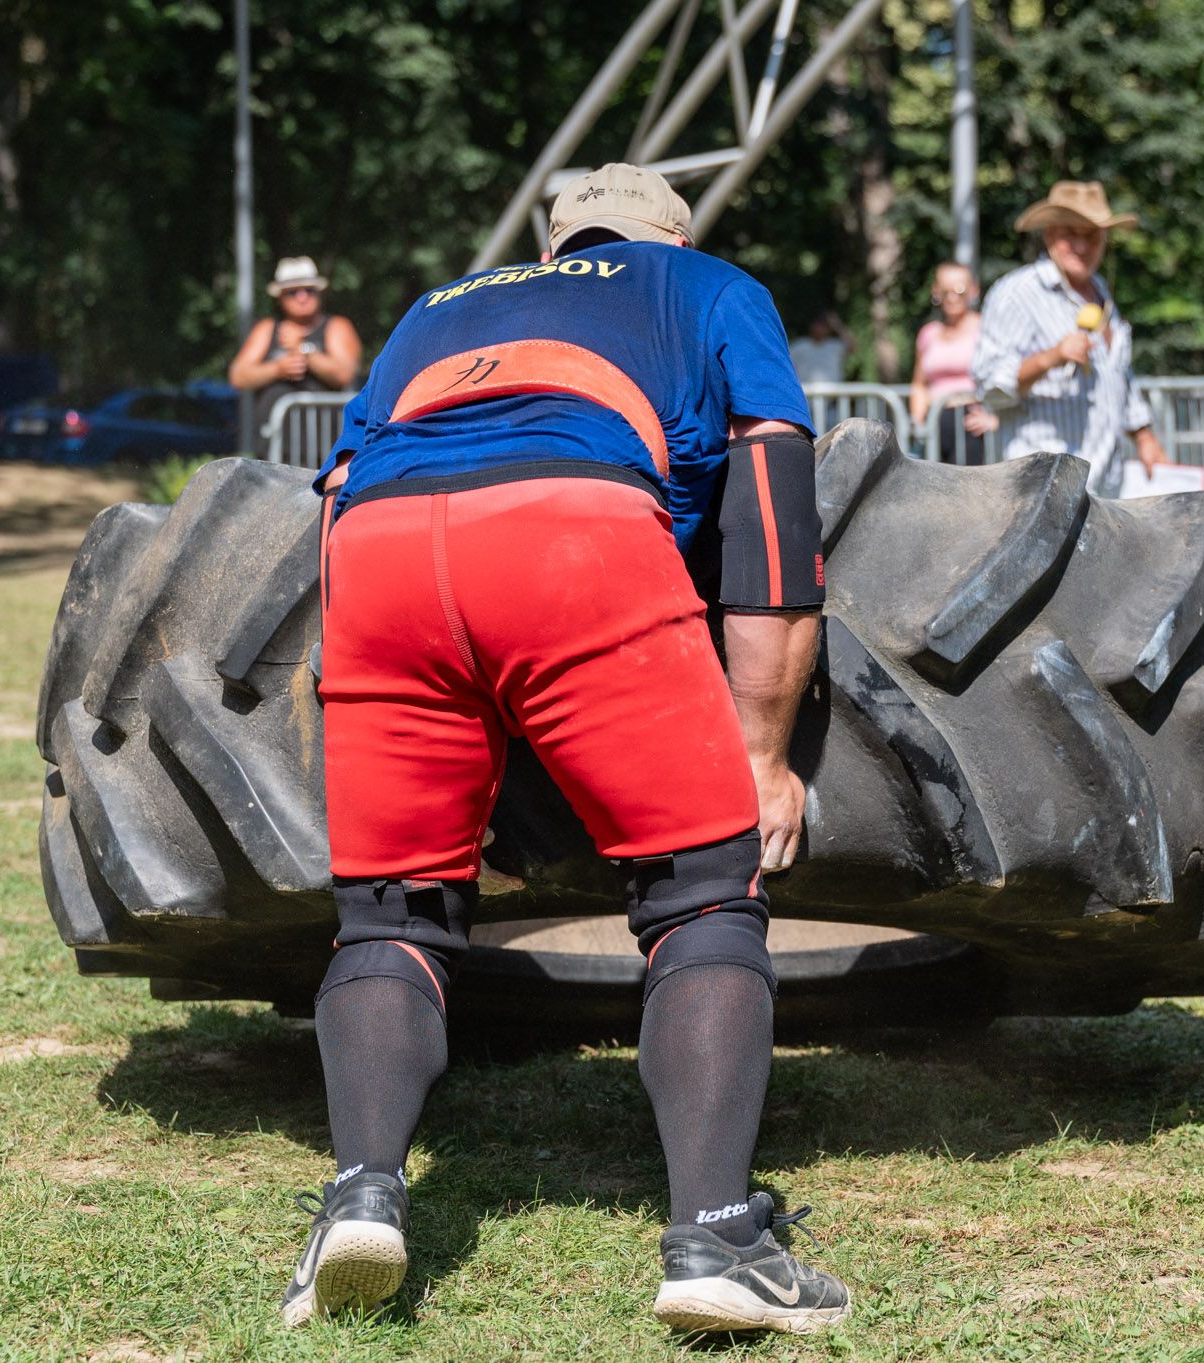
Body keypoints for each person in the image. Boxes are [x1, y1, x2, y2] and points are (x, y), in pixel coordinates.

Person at [279, 164, 848, 1334]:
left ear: (554, 246)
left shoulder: (436, 306)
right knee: (702, 895)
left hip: (380, 556)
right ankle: (717, 1239)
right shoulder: (706, 285)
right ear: (667, 236)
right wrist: (761, 750)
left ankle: (361, 1194)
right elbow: (769, 508)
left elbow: (337, 494)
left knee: (389, 916)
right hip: (572, 531)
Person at [970, 180, 1165, 493]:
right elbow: (989, 385)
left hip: (1104, 488)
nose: (1082, 246)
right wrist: (1051, 357)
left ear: (1105, 239)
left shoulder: (1102, 294)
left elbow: (1118, 378)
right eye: (1070, 234)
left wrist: (1145, 438)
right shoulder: (1018, 293)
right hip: (1041, 490)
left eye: (1092, 236)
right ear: (1049, 234)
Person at [228, 256, 363, 427]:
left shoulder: (337, 326)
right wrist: (278, 369)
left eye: (309, 290)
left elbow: (345, 374)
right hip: (272, 438)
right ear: (280, 297)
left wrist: (304, 350)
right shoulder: (266, 329)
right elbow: (238, 376)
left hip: (325, 437)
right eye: (292, 292)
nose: (302, 297)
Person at [909, 261, 996, 464]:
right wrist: (918, 423)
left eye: (959, 290)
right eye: (945, 291)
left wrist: (995, 419)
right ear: (936, 292)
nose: (952, 297)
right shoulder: (928, 333)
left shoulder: (986, 328)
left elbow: (1009, 376)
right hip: (935, 424)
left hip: (972, 425)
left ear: (973, 290)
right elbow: (919, 384)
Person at [787, 311, 850, 384]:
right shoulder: (799, 345)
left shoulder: (835, 345)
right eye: (818, 325)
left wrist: (838, 326)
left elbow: (852, 347)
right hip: (806, 390)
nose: (820, 328)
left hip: (834, 390)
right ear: (811, 326)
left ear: (829, 329)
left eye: (824, 326)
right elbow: (786, 362)